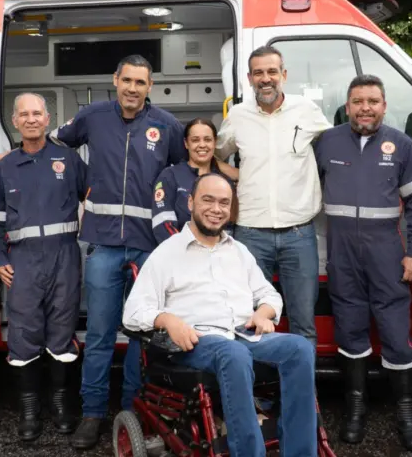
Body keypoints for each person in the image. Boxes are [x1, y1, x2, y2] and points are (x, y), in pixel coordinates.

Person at [0, 54, 186, 449]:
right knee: (100, 335)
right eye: (126, 80)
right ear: (115, 79)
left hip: (148, 250)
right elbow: (47, 151)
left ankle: (134, 412)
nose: (132, 88)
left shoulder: (168, 125)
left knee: (143, 334)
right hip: (104, 245)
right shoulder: (91, 116)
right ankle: (92, 415)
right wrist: (12, 160)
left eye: (140, 82)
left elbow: (184, 172)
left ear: (150, 86)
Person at [122, 172, 318, 457]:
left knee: (300, 348)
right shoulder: (167, 253)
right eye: (208, 200)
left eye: (224, 203)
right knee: (232, 354)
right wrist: (168, 320)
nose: (216, 209)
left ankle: (300, 452)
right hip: (196, 341)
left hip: (243, 335)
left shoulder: (239, 251)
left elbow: (269, 295)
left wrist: (264, 312)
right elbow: (134, 312)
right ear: (190, 202)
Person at [314, 74, 412, 451]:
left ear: (383, 105)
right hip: (343, 251)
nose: (366, 108)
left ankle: (407, 413)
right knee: (349, 328)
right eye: (358, 101)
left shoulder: (401, 144)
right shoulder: (327, 142)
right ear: (347, 107)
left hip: (387, 251)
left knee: (397, 330)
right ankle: (356, 409)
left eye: (373, 101)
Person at [214, 45, 331, 348]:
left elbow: (330, 150)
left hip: (299, 234)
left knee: (304, 322)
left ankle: (303, 395)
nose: (266, 79)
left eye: (272, 71)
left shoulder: (306, 111)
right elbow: (217, 155)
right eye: (258, 73)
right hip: (251, 235)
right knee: (250, 321)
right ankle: (256, 396)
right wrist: (239, 176)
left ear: (284, 75)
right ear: (249, 78)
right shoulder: (238, 116)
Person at [0, 93, 87, 441]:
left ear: (48, 119)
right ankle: (30, 410)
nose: (31, 119)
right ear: (15, 122)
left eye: (37, 113)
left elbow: (90, 197)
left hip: (64, 258)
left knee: (62, 332)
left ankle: (61, 405)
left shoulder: (68, 159)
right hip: (23, 262)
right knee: (24, 333)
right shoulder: (6, 166)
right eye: (23, 115)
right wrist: (0, 259)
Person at [152, 118, 238, 243]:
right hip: (180, 255)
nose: (202, 145)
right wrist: (185, 249)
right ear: (186, 143)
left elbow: (229, 226)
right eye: (195, 140)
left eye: (207, 139)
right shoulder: (169, 176)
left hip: (217, 256)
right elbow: (162, 223)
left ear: (215, 142)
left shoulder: (225, 182)